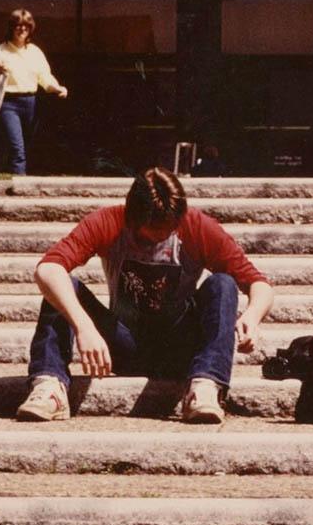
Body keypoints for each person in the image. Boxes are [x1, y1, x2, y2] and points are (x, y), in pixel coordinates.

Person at [16, 165, 273, 424]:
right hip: (123, 343)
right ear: (133, 218)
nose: (162, 236)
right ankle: (49, 386)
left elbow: (259, 284)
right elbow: (48, 269)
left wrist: (251, 316)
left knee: (223, 284)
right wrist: (84, 326)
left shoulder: (196, 226)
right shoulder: (109, 222)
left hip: (179, 346)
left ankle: (205, 388)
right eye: (153, 232)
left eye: (170, 229)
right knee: (62, 286)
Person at [0, 8, 68, 176]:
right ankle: (20, 186)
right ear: (11, 28)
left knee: (26, 147)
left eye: (26, 26)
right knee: (17, 149)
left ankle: (12, 180)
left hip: (30, 104)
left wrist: (58, 88)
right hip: (8, 104)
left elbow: (45, 77)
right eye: (18, 26)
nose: (22, 29)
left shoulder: (35, 52)